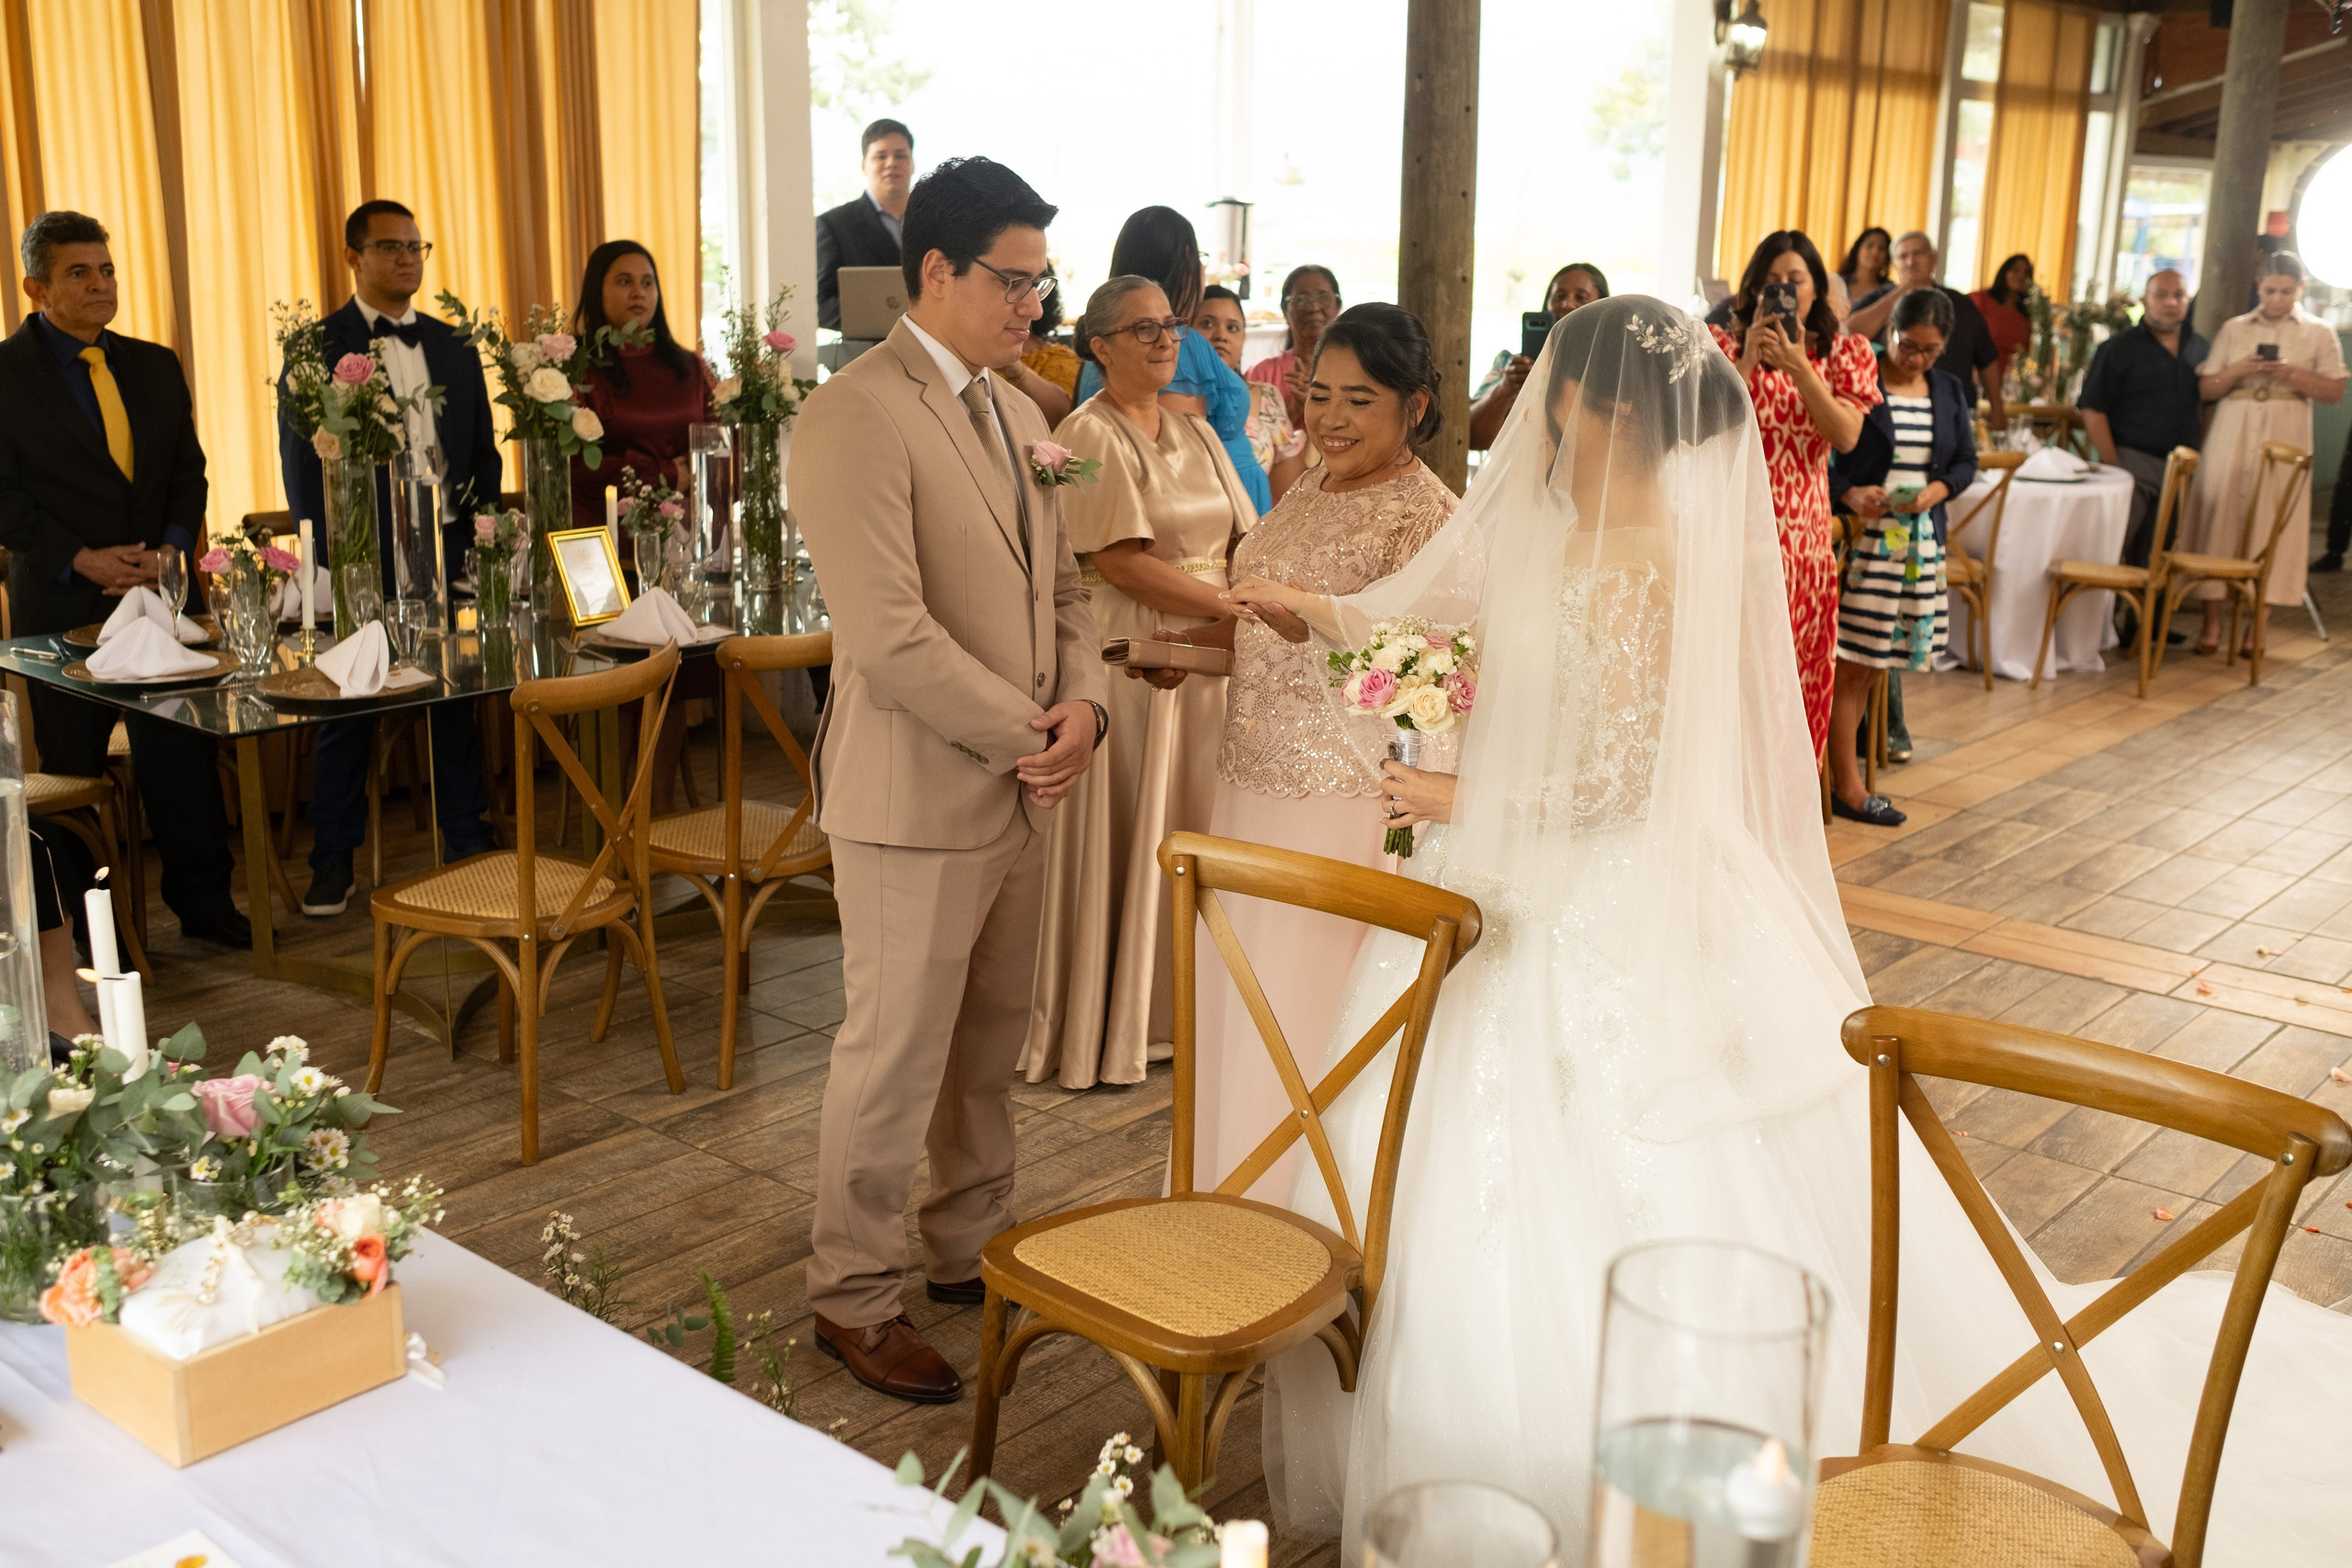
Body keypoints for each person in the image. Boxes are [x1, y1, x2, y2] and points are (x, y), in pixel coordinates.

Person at [1237, 296, 2352, 1563]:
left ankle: (1586, 1471)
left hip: (1588, 892)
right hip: (1534, 873)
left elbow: (1623, 782)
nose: (1541, 412)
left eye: (1555, 388)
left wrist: (1456, 792)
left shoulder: (1651, 556)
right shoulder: (1577, 533)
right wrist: (1304, 610)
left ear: (1594, 406)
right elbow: (1436, 618)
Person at [788, 155, 1105, 1404]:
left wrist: (1081, 702)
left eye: (1041, 280)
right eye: (1013, 280)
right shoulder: (856, 411)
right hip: (917, 789)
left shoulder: (1025, 416)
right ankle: (851, 1293)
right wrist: (1032, 727)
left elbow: (1068, 593)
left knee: (987, 1042)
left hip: (1025, 779)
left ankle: (964, 1242)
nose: (1034, 304)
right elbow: (886, 631)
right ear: (935, 270)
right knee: (894, 1051)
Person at [1199, 301, 1455, 1199]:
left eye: (1359, 400)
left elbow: (1439, 685)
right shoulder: (1306, 484)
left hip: (1338, 805)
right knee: (1238, 1006)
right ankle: (1221, 1215)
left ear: (1414, 407)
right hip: (1249, 789)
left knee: (1302, 1022)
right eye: (1318, 395)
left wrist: (1314, 621)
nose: (1330, 419)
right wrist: (1193, 658)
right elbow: (1265, 638)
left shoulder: (1429, 517)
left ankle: (1294, 1223)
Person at [1021, 278, 1251, 1091]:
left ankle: (1190, 1009)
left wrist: (1248, 602)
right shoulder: (1086, 433)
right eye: (1142, 328)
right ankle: (1124, 1015)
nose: (1163, 340)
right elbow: (1120, 561)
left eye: (1170, 326)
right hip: (1138, 652)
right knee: (1140, 829)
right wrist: (1231, 610)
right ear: (1100, 346)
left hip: (1210, 651)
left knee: (1198, 822)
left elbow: (1242, 537)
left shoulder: (1196, 430)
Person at [0, 211, 246, 946]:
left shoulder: (153, 362)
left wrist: (170, 550)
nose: (101, 285)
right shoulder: (5, 376)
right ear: (35, 286)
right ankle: (82, 930)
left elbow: (186, 471)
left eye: (107, 269)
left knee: (183, 758)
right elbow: (5, 496)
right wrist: (83, 558)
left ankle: (206, 909)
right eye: (80, 272)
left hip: (160, 591)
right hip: (62, 598)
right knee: (73, 772)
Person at [278, 199, 500, 918]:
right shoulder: (317, 347)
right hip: (363, 555)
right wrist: (342, 556)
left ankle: (466, 838)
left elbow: (481, 453)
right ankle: (333, 857)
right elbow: (304, 466)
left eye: (416, 246)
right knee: (351, 702)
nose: (407, 258)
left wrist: (476, 532)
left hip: (447, 547)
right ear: (354, 257)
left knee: (454, 694)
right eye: (390, 246)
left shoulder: (454, 344)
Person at [1709, 230, 1874, 759]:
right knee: (1726, 681)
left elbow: (1846, 435)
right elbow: (1708, 432)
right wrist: (1749, 363)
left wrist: (1800, 365)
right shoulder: (1720, 345)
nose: (1783, 289)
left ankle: (1784, 823)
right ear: (1753, 289)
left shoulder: (1845, 352)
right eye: (1772, 281)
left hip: (1802, 545)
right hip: (1730, 538)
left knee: (1795, 681)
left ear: (1816, 290)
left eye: (1795, 280)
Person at [1826, 288, 1976, 827]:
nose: (1916, 359)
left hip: (1915, 542)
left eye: (1929, 351)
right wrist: (1850, 494)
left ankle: (1852, 775)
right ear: (1889, 330)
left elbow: (1965, 461)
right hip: (1866, 539)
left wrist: (1938, 491)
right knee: (1854, 664)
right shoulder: (1860, 379)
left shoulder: (1948, 390)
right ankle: (1847, 784)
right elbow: (1824, 455)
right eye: (1908, 346)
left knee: (1878, 667)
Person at [2175, 252, 2346, 656]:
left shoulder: (2319, 332)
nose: (2277, 300)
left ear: (2300, 289)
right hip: (2233, 427)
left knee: (2276, 522)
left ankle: (2258, 628)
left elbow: (2335, 392)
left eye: (2286, 291)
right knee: (2220, 516)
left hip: (2286, 431)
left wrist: (2291, 373)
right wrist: (2238, 369)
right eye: (2270, 291)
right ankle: (2212, 623)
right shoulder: (2235, 329)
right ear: (2259, 287)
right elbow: (2206, 389)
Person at [1078, 208, 1269, 515]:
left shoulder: (1112, 341)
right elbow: (1179, 460)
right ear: (1181, 266)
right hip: (1207, 512)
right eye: (1197, 258)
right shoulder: (1175, 345)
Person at [567, 239, 715, 530]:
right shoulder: (576, 368)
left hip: (684, 534)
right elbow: (578, 467)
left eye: (648, 283)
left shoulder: (690, 366)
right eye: (625, 282)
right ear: (597, 290)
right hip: (605, 538)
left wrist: (698, 473)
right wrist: (669, 474)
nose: (639, 293)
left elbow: (724, 439)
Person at [2077, 269, 2208, 577]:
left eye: (2178, 295)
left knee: (2160, 557)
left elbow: (2209, 404)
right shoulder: (2119, 348)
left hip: (2179, 467)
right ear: (2145, 301)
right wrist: (2115, 463)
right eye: (2161, 295)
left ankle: (2146, 625)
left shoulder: (2199, 347)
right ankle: (2105, 623)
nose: (2170, 302)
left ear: (2188, 301)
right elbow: (2092, 408)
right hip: (2132, 462)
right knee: (2114, 550)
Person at [1847, 231, 2006, 428]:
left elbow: (1987, 359)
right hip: (1891, 410)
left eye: (1918, 253)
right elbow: (1851, 332)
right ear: (1894, 264)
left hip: (1955, 413)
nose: (1910, 261)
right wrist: (1904, 290)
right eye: (1903, 256)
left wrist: (1998, 411)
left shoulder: (1961, 304)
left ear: (1934, 258)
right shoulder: (1878, 299)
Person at [1467, 263, 1608, 450]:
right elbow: (1473, 439)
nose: (1567, 304)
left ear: (1602, 307)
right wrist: (1506, 389)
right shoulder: (1510, 365)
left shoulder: (1611, 369)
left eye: (1580, 297)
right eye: (1560, 296)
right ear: (1547, 305)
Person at [1195, 284, 1306, 503]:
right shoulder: (1170, 401)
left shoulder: (1266, 398)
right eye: (1207, 324)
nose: (1221, 336)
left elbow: (1295, 498)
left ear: (1243, 342)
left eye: (1233, 328)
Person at [815, 118, 912, 333]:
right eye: (880, 156)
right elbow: (820, 304)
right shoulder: (834, 225)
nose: (891, 163)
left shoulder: (936, 221)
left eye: (900, 155)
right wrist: (874, 318)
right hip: (866, 354)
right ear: (864, 165)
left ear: (912, 163)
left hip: (933, 352)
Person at [1246, 265, 1341, 428]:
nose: (1313, 308)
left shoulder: (1353, 370)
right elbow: (1253, 442)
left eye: (1323, 298)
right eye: (1301, 300)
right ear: (1285, 309)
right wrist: (1294, 410)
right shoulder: (1262, 374)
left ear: (1337, 305)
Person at [1006, 271, 1077, 424]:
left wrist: (1013, 366)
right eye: (1015, 285)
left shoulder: (1058, 360)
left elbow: (1066, 421)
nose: (1035, 310)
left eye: (1037, 287)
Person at [1971, 252, 2034, 395]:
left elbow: (2028, 354)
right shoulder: (1981, 300)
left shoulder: (2027, 315)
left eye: (2026, 273)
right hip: (1979, 378)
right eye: (2015, 270)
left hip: (2011, 385)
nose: (2021, 276)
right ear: (2004, 272)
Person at [1838, 225, 1893, 299]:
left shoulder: (1890, 291)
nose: (1875, 252)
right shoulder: (1837, 283)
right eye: (1869, 245)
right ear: (1857, 249)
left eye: (1882, 248)